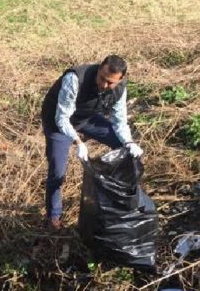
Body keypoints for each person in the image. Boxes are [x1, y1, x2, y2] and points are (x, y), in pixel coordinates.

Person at [40, 54, 143, 229]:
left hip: (86, 118)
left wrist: (129, 142)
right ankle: (53, 216)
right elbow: (62, 118)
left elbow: (119, 122)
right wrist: (78, 142)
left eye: (110, 83)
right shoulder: (75, 79)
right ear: (99, 68)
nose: (104, 85)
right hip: (57, 122)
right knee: (57, 172)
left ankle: (116, 196)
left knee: (123, 147)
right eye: (102, 78)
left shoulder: (120, 88)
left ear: (121, 79)